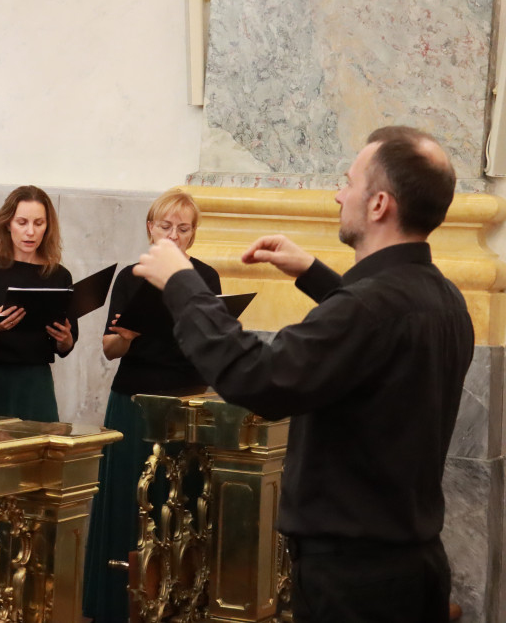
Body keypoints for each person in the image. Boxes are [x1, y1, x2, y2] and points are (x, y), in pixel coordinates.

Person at [133, 126, 472, 623]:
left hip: (353, 584)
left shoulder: (370, 308)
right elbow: (375, 336)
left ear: (379, 205)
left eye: (348, 181)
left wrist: (182, 284)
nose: (338, 194)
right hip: (412, 565)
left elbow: (258, 376)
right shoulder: (444, 299)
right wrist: (313, 272)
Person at [82, 188, 221, 622]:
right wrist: (127, 336)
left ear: (193, 235)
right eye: (166, 226)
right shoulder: (132, 276)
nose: (174, 235)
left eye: (184, 228)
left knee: (181, 506)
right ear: (149, 228)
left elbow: (213, 346)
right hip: (135, 403)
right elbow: (109, 349)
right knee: (132, 502)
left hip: (186, 403)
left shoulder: (206, 278)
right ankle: (118, 606)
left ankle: (180, 603)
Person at [0, 185, 77, 423]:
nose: (30, 232)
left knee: (38, 456)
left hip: (35, 382)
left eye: (39, 223)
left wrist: (65, 338)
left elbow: (66, 347)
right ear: (7, 223)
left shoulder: (58, 275)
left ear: (48, 227)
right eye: (22, 222)